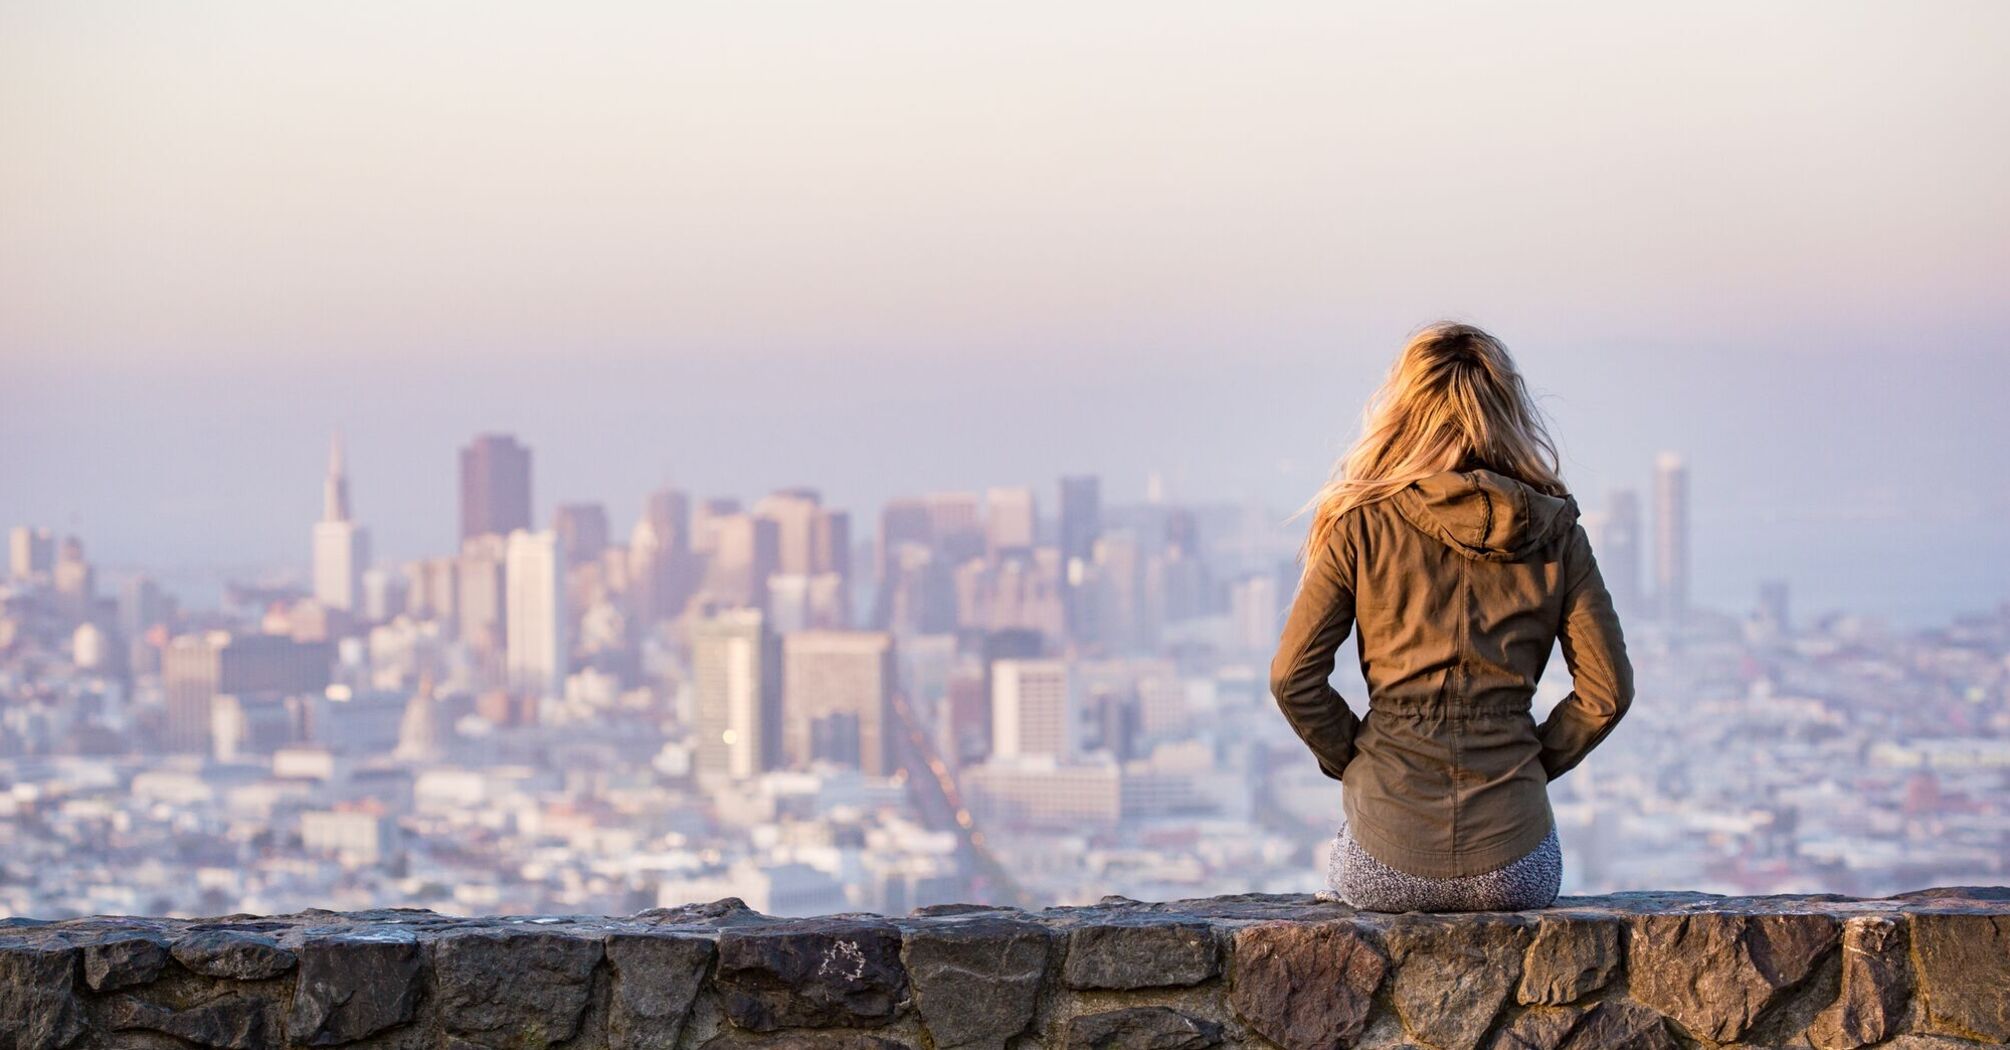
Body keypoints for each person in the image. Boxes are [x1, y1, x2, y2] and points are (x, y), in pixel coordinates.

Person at [1270, 321, 1633, 912]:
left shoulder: (1359, 524)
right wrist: (1530, 763)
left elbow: (1292, 678)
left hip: (1383, 857)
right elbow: (1607, 693)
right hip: (1517, 864)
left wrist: (1360, 759)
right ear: (1508, 410)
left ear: (1404, 411)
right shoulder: (1557, 531)